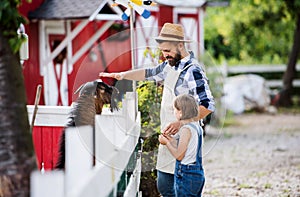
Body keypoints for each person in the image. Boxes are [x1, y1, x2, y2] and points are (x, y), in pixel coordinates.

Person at [99, 22, 214, 196]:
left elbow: (208, 105)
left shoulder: (193, 71)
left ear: (180, 45)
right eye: (162, 51)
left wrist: (181, 122)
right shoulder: (169, 66)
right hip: (168, 138)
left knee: (182, 190)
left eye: (167, 50)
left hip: (185, 140)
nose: (164, 55)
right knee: (164, 185)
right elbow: (149, 73)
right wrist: (123, 76)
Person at [158, 94, 205, 196]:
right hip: (197, 173)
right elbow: (187, 147)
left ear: (181, 112)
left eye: (174, 109)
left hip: (186, 175)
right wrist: (170, 140)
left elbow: (179, 155)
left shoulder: (185, 129)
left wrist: (166, 143)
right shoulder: (196, 127)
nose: (174, 112)